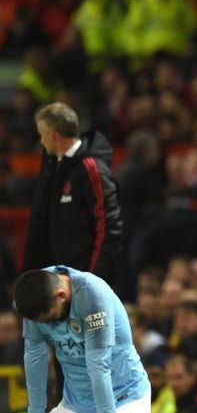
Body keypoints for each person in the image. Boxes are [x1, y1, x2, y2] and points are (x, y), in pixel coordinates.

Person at [12, 266, 150, 413]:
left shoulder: (92, 295)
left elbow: (98, 367)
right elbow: (35, 356)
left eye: (50, 319)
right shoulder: (35, 294)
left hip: (122, 398)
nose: (49, 326)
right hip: (75, 404)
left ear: (60, 295)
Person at [24, 102, 123, 287]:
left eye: (41, 135)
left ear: (52, 135)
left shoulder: (90, 168)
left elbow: (108, 227)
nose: (41, 141)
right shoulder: (54, 167)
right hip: (62, 279)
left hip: (84, 281)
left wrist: (93, 279)